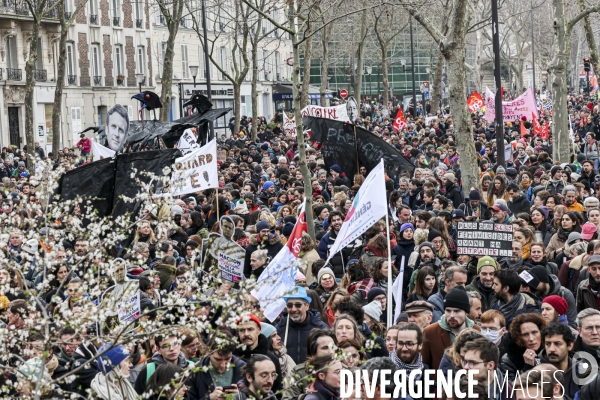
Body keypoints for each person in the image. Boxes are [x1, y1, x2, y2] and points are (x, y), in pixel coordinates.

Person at [421, 286, 480, 371]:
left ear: (466, 312)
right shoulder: (430, 332)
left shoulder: (477, 331)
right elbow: (424, 365)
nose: (452, 315)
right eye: (448, 311)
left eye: (457, 311)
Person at [275, 286, 329, 364]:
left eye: (298, 305)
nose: (293, 309)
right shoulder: (279, 329)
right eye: (289, 305)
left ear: (307, 306)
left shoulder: (321, 328)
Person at [188, 330, 246, 400]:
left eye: (227, 359)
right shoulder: (194, 373)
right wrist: (209, 398)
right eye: (218, 359)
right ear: (208, 352)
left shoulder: (244, 369)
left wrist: (240, 396)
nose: (223, 365)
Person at [234, 313, 283, 393]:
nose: (246, 334)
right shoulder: (232, 357)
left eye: (250, 329)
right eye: (242, 330)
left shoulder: (272, 359)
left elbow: (277, 392)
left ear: (258, 331)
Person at [282, 329, 336, 400]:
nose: (331, 352)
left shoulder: (345, 370)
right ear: (313, 352)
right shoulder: (299, 372)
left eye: (333, 347)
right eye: (325, 348)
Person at [500, 313, 547, 382]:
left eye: (534, 332)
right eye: (525, 334)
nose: (531, 339)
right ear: (519, 337)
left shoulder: (550, 352)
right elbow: (510, 388)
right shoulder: (508, 359)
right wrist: (527, 368)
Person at [539, 323, 579, 399]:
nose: (551, 349)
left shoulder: (581, 372)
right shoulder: (536, 372)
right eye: (548, 344)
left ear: (570, 346)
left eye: (557, 344)